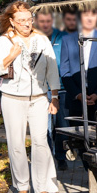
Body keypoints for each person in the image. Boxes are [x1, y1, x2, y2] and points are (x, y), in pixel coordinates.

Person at [0, 1, 61, 193]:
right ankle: (21, 184)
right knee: (16, 143)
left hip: (39, 98)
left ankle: (43, 187)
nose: (26, 24)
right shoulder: (5, 41)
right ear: (11, 21)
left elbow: (52, 70)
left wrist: (54, 97)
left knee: (40, 141)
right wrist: (10, 56)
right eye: (21, 21)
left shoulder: (42, 40)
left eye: (29, 19)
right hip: (12, 98)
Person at [59, 10, 97, 124]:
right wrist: (78, 94)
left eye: (93, 15)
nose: (90, 18)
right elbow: (65, 71)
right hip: (76, 99)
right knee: (77, 138)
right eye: (86, 15)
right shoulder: (67, 39)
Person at [35, 10, 69, 170]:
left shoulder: (62, 37)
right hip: (40, 90)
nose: (45, 24)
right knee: (44, 128)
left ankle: (61, 157)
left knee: (62, 126)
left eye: (48, 21)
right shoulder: (32, 39)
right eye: (42, 21)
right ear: (36, 22)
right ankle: (47, 159)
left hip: (61, 88)